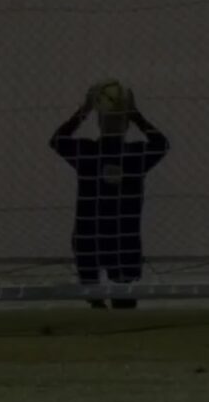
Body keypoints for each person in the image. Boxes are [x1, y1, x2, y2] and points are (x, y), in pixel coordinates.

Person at [49, 81, 169, 309]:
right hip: (123, 239)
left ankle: (97, 306)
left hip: (90, 238)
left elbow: (58, 140)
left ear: (98, 121)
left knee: (96, 296)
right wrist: (135, 114)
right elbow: (161, 143)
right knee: (123, 299)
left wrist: (84, 110)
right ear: (127, 125)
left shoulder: (88, 154)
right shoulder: (135, 157)